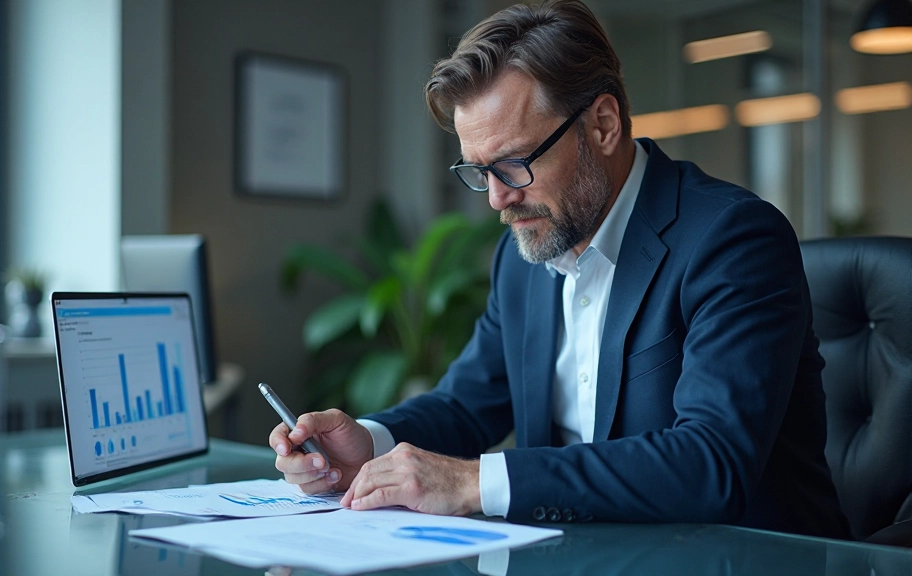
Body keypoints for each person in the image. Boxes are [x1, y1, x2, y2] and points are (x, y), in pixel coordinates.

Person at [269, 0, 850, 539]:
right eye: (479, 171)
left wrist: (474, 483)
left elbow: (710, 462)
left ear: (602, 124)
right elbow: (468, 403)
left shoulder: (733, 238)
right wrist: (367, 442)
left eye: (514, 163)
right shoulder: (526, 253)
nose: (497, 199)